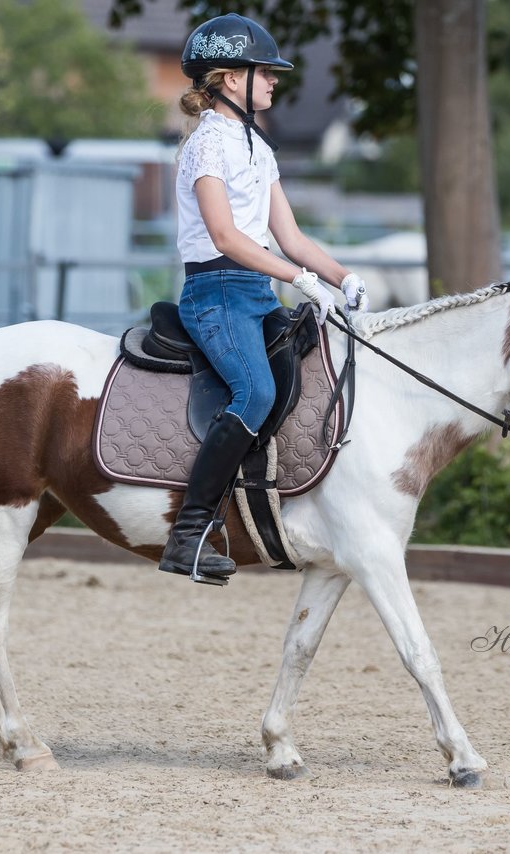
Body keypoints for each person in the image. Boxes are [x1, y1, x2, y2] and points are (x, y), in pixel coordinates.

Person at [159, 13, 369, 586]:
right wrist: (299, 280)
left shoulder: (258, 147)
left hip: (255, 291)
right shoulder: (206, 147)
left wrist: (341, 276)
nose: (275, 82)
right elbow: (226, 238)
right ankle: (187, 534)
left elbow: (292, 238)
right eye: (265, 73)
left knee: (319, 369)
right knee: (254, 393)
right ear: (230, 80)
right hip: (215, 293)